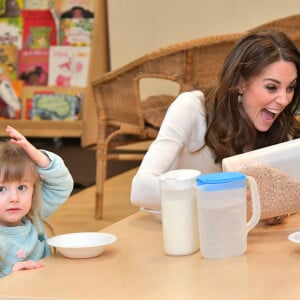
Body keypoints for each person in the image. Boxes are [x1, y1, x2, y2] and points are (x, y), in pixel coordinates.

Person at [130, 29, 300, 222]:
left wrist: (274, 207)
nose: (284, 100)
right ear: (240, 82)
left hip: (234, 235)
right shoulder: (192, 108)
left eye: (290, 87)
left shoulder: (281, 126)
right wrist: (218, 194)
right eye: (271, 87)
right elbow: (141, 189)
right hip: (175, 229)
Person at [0, 125, 74, 278]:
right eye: (1, 189)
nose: (14, 198)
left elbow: (62, 185)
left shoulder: (33, 214)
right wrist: (10, 275)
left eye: (21, 187)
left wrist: (39, 158)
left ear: (34, 189)